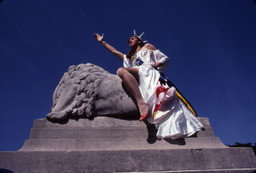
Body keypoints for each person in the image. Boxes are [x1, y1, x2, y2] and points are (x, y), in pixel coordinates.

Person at [94, 31, 203, 140]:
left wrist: (156, 64)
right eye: (128, 41)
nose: (129, 41)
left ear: (139, 40)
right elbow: (114, 52)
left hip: (149, 72)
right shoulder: (130, 58)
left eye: (132, 39)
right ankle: (141, 102)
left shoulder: (147, 47)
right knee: (121, 71)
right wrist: (102, 42)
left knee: (122, 70)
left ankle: (150, 104)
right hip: (139, 76)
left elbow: (164, 58)